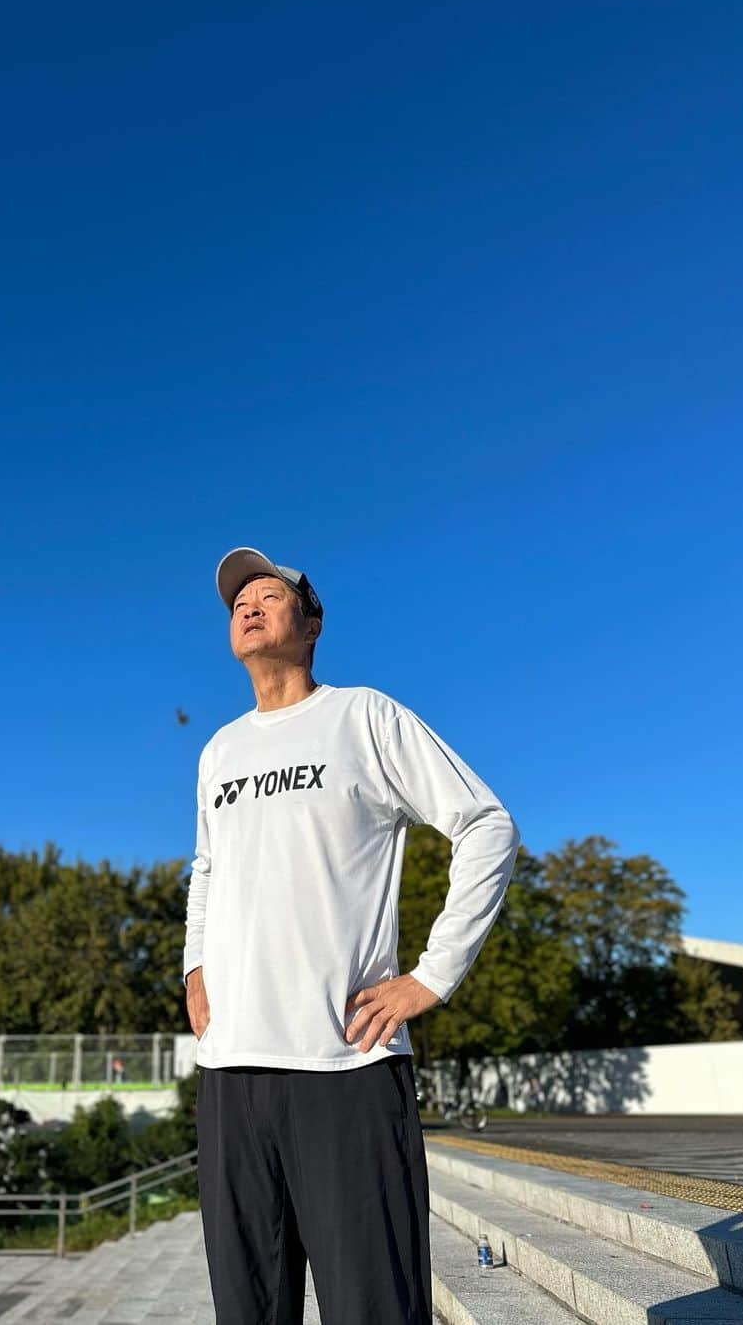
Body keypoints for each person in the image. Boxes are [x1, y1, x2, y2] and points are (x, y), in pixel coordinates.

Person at [183, 546, 520, 1325]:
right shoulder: (219, 752)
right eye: (239, 600)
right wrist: (195, 965)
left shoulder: (363, 716)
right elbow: (206, 869)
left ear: (312, 623)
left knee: (374, 1308)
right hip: (232, 1072)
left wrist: (432, 975)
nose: (250, 605)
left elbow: (486, 826)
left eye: (270, 594)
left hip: (346, 1065)